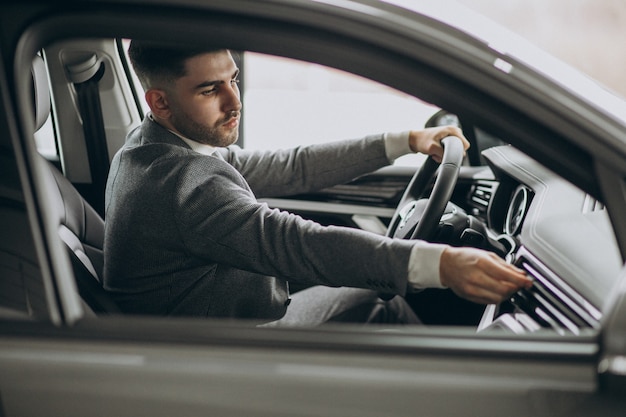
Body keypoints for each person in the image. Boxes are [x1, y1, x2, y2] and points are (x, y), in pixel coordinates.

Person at [103, 41, 531, 325]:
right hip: (218, 355)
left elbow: (292, 166)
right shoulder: (184, 184)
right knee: (378, 307)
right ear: (159, 101)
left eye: (233, 79)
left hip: (211, 324)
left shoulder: (153, 145)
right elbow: (297, 244)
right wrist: (440, 264)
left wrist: (406, 141)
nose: (235, 101)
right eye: (210, 89)